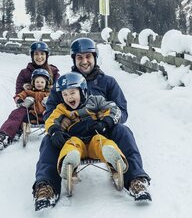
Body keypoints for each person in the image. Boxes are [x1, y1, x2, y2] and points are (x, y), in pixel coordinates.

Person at [33, 37, 151, 210]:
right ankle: (47, 186)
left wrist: (106, 122)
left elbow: (121, 110)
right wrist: (56, 129)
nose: (84, 61)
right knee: (48, 140)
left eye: (88, 56)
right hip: (71, 135)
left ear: (95, 57)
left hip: (101, 131)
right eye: (79, 57)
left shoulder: (108, 82)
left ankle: (135, 179)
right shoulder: (65, 84)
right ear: (74, 59)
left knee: (123, 131)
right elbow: (51, 110)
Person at [35, 72, 128, 211]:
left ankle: (114, 159)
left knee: (102, 142)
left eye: (72, 93)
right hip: (75, 140)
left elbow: (114, 108)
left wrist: (106, 122)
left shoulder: (95, 101)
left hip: (94, 139)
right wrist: (55, 131)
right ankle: (69, 161)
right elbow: (51, 120)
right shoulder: (61, 108)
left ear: (83, 90)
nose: (69, 97)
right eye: (65, 95)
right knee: (70, 145)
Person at [0, 41, 59, 152]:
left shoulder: (54, 72)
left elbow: (60, 92)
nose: (39, 57)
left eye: (42, 54)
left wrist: (50, 101)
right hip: (30, 111)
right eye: (36, 54)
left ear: (47, 55)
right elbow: (19, 93)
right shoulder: (24, 73)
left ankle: (62, 137)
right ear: (32, 56)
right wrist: (22, 101)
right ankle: (4, 136)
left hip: (47, 111)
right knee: (16, 114)